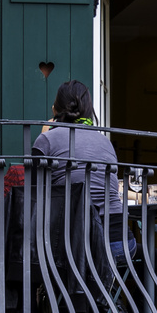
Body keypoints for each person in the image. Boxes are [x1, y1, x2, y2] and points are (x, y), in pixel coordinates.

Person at [32, 81, 131, 286]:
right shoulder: (105, 142)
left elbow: (34, 194)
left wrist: (44, 134)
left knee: (70, 270)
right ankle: (105, 308)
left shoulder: (47, 140)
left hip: (73, 244)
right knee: (91, 280)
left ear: (55, 109)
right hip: (119, 241)